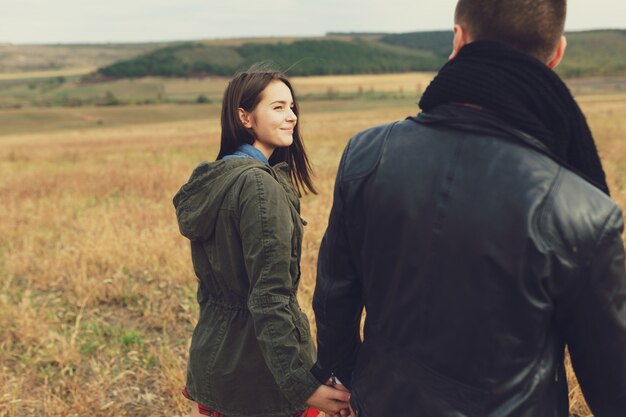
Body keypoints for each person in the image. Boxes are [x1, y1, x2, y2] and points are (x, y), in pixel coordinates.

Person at [312, 1, 626, 416]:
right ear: (557, 54)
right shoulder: (581, 209)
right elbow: (614, 388)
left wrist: (345, 375)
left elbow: (335, 297)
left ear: (458, 39)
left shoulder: (367, 154)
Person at [173, 69, 351, 417]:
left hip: (216, 365)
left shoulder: (218, 177)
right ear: (245, 117)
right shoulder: (258, 187)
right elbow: (269, 298)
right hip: (259, 380)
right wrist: (303, 384)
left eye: (293, 106)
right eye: (279, 107)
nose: (292, 116)